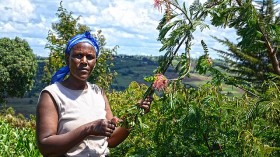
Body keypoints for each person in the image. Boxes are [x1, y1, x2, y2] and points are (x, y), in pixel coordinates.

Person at [36, 31, 153, 157]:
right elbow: (46, 146)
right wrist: (90, 128)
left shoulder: (98, 93)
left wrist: (135, 115)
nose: (84, 61)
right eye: (78, 55)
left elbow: (111, 140)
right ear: (67, 58)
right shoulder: (52, 95)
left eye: (90, 57)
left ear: (95, 62)